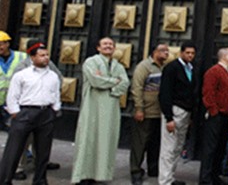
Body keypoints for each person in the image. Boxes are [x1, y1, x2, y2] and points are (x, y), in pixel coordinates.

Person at [71, 37, 130, 184]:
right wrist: (113, 82)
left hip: (111, 108)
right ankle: (83, 175)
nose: (108, 46)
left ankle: (100, 174)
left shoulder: (118, 66)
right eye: (105, 44)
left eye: (111, 44)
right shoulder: (91, 62)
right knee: (88, 139)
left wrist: (110, 85)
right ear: (98, 47)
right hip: (93, 107)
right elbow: (95, 80)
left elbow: (125, 83)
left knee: (105, 140)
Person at [0, 41, 60, 184]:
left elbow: (56, 93)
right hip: (25, 112)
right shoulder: (22, 75)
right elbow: (13, 95)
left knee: (43, 150)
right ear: (32, 58)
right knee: (14, 149)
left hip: (45, 112)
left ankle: (40, 179)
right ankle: (5, 179)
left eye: (46, 55)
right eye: (41, 55)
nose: (45, 58)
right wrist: (15, 112)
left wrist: (55, 108)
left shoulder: (53, 75)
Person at [158, 41, 197, 185]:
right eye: (187, 53)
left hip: (185, 112)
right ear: (181, 53)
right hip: (174, 111)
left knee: (178, 147)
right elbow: (165, 93)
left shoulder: (191, 68)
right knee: (168, 148)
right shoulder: (172, 68)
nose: (190, 55)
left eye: (192, 53)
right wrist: (169, 117)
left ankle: (170, 177)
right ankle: (165, 181)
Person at [130, 42, 168, 185]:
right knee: (140, 143)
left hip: (159, 111)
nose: (166, 53)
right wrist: (139, 108)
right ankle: (135, 170)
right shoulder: (144, 67)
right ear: (155, 52)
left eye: (167, 51)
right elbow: (137, 87)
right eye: (163, 51)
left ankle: (153, 168)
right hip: (146, 110)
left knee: (155, 142)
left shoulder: (165, 67)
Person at [199, 47, 228, 185]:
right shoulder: (214, 72)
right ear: (224, 57)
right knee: (210, 148)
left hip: (226, 114)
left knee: (220, 147)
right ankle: (205, 178)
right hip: (216, 115)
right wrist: (213, 111)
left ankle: (215, 175)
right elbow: (208, 93)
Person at [0, 31, 28, 131]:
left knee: (15, 129)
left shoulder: (22, 57)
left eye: (1, 44)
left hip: (15, 99)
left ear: (7, 44)